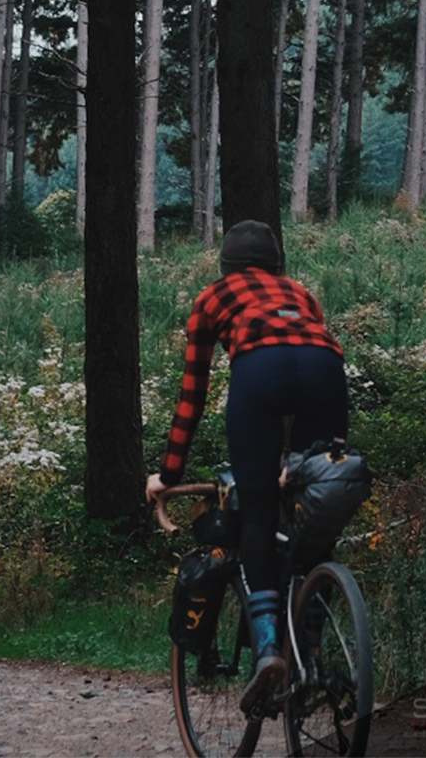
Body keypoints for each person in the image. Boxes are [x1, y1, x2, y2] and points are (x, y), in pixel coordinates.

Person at [145, 219, 348, 714]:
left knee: (257, 513)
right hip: (326, 371)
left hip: (260, 372)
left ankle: (268, 654)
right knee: (318, 504)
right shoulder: (303, 295)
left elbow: (192, 398)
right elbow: (310, 355)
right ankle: (315, 645)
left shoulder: (212, 299)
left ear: (225, 266)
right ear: (277, 266)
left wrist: (167, 476)